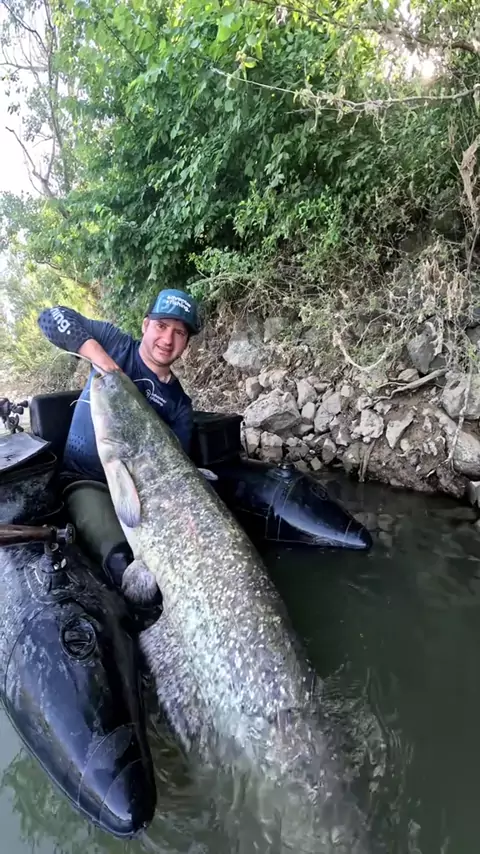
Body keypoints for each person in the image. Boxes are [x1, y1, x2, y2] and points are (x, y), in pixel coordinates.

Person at [37, 289, 201, 605]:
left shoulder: (180, 405)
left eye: (179, 332)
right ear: (145, 325)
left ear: (186, 342)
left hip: (147, 496)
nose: (167, 339)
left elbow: (178, 474)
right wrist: (104, 364)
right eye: (161, 326)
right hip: (86, 482)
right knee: (120, 564)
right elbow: (50, 317)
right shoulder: (117, 344)